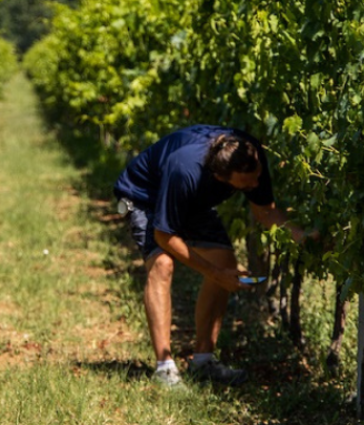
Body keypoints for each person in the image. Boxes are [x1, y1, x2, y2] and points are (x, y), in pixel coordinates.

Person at [113, 124, 311, 387]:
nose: (256, 184)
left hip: (191, 199)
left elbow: (265, 212)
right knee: (162, 263)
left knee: (226, 262)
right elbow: (164, 236)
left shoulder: (249, 156)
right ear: (222, 178)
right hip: (143, 195)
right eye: (248, 182)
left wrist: (305, 237)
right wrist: (214, 273)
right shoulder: (185, 170)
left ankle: (203, 361)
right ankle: (165, 368)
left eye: (257, 177)